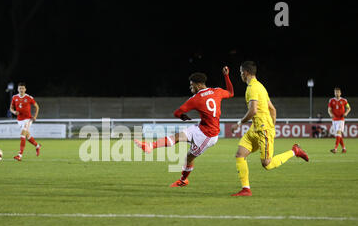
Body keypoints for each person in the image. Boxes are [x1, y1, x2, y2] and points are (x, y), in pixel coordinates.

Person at [135, 67, 234, 187]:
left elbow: (177, 113)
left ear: (198, 85)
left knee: (189, 158)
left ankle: (183, 180)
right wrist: (226, 76)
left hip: (208, 136)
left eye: (191, 85)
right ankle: (150, 146)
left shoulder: (196, 99)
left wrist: (183, 117)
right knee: (177, 137)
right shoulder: (216, 91)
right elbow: (231, 93)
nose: (190, 87)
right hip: (200, 128)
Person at [231, 61, 309, 196]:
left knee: (267, 164)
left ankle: (294, 151)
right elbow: (273, 109)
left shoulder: (252, 88)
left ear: (245, 72)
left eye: (240, 72)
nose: (240, 75)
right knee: (240, 155)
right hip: (255, 129)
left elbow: (253, 110)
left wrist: (239, 123)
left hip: (263, 130)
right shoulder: (260, 87)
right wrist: (271, 125)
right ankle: (246, 189)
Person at [10, 82, 41, 161]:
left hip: (28, 119)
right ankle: (37, 146)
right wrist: (14, 112)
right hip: (19, 120)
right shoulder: (14, 97)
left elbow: (37, 107)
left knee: (22, 135)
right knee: (27, 136)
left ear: (25, 89)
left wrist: (35, 116)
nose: (21, 90)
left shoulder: (29, 97)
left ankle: (19, 155)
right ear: (17, 89)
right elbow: (11, 108)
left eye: (23, 88)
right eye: (20, 88)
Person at [328, 87, 351, 153]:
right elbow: (329, 109)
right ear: (334, 93)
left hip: (341, 119)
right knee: (339, 135)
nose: (337, 93)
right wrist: (330, 113)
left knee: (338, 132)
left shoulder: (344, 100)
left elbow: (349, 108)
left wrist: (346, 113)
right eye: (335, 92)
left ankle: (335, 149)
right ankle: (344, 148)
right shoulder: (331, 100)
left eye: (338, 92)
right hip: (334, 119)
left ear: (340, 93)